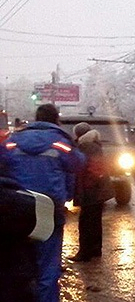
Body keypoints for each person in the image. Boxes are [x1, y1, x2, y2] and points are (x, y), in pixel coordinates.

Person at [0, 104, 86, 302]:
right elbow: (78, 164)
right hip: (48, 210)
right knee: (48, 266)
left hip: (17, 209)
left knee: (18, 263)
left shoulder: (14, 141)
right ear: (56, 120)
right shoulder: (60, 143)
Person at [69, 122, 114, 262]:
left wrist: (85, 186)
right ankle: (95, 250)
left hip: (91, 190)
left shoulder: (85, 146)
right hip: (98, 190)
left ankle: (85, 253)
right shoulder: (94, 144)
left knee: (86, 221)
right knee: (95, 221)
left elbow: (92, 169)